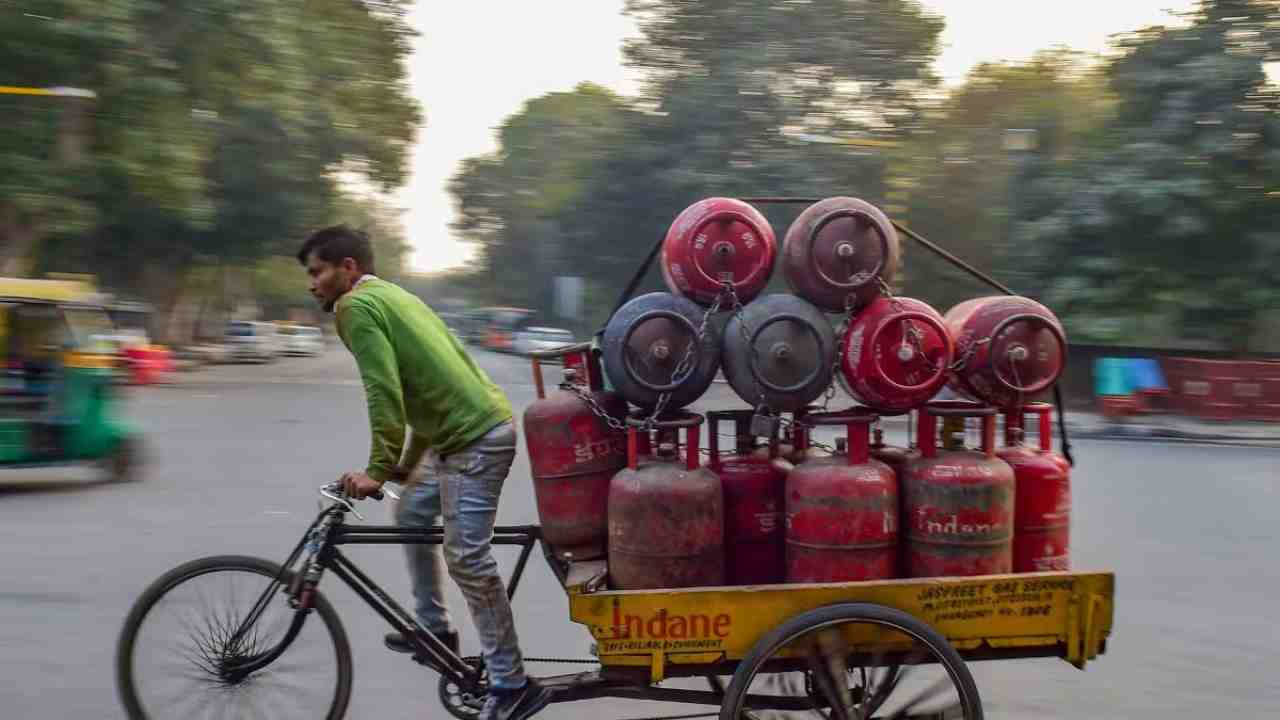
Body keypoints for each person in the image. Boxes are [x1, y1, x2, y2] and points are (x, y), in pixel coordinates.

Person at [297, 225, 549, 720]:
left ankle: (512, 682)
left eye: (317, 271)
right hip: (467, 430)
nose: (312, 283)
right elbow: (423, 391)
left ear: (349, 269)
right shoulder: (391, 295)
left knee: (467, 559)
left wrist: (376, 470)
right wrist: (401, 469)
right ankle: (435, 629)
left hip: (474, 440)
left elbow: (385, 392)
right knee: (411, 507)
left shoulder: (355, 308)